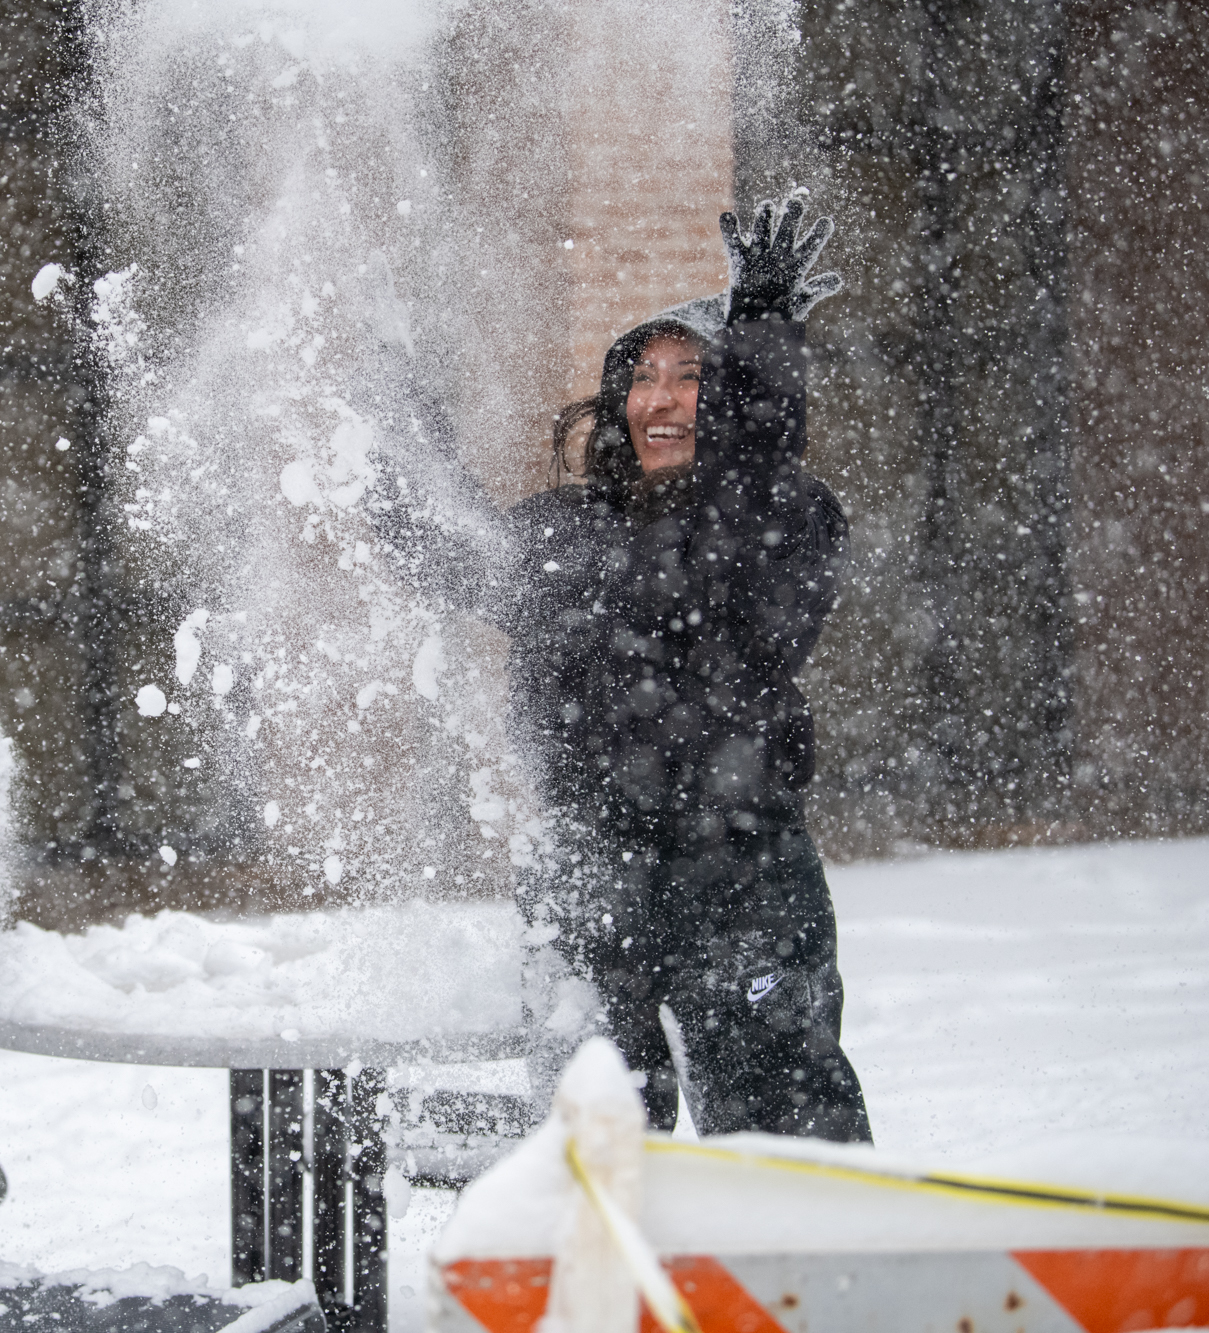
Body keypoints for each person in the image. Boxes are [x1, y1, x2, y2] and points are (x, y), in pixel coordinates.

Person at [370, 198, 872, 1142]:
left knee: (782, 1142)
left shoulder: (788, 520)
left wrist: (763, 354)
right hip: (585, 867)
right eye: (640, 376)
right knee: (586, 1156)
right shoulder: (563, 530)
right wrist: (398, 401)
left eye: (691, 376)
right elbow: (434, 545)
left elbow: (743, 543)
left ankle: (786, 1289)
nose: (660, 396)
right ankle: (603, 1296)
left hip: (740, 867)